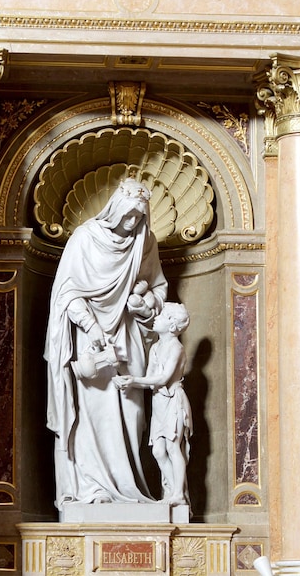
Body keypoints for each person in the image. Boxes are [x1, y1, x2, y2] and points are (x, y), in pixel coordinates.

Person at [44, 176, 167, 510]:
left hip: (128, 336)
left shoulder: (145, 242)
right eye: (128, 214)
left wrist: (145, 303)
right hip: (90, 339)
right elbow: (67, 293)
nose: (132, 222)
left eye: (139, 217)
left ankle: (129, 487)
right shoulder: (85, 238)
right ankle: (92, 489)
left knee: (132, 412)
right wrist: (92, 326)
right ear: (114, 209)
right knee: (93, 416)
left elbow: (159, 288)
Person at [113, 302, 192, 506]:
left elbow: (163, 378)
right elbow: (149, 379)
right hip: (158, 403)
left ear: (172, 326)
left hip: (173, 400)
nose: (156, 317)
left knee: (173, 447)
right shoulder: (156, 347)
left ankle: (178, 495)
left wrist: (133, 380)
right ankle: (175, 490)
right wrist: (126, 379)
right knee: (158, 451)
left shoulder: (176, 348)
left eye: (163, 315)